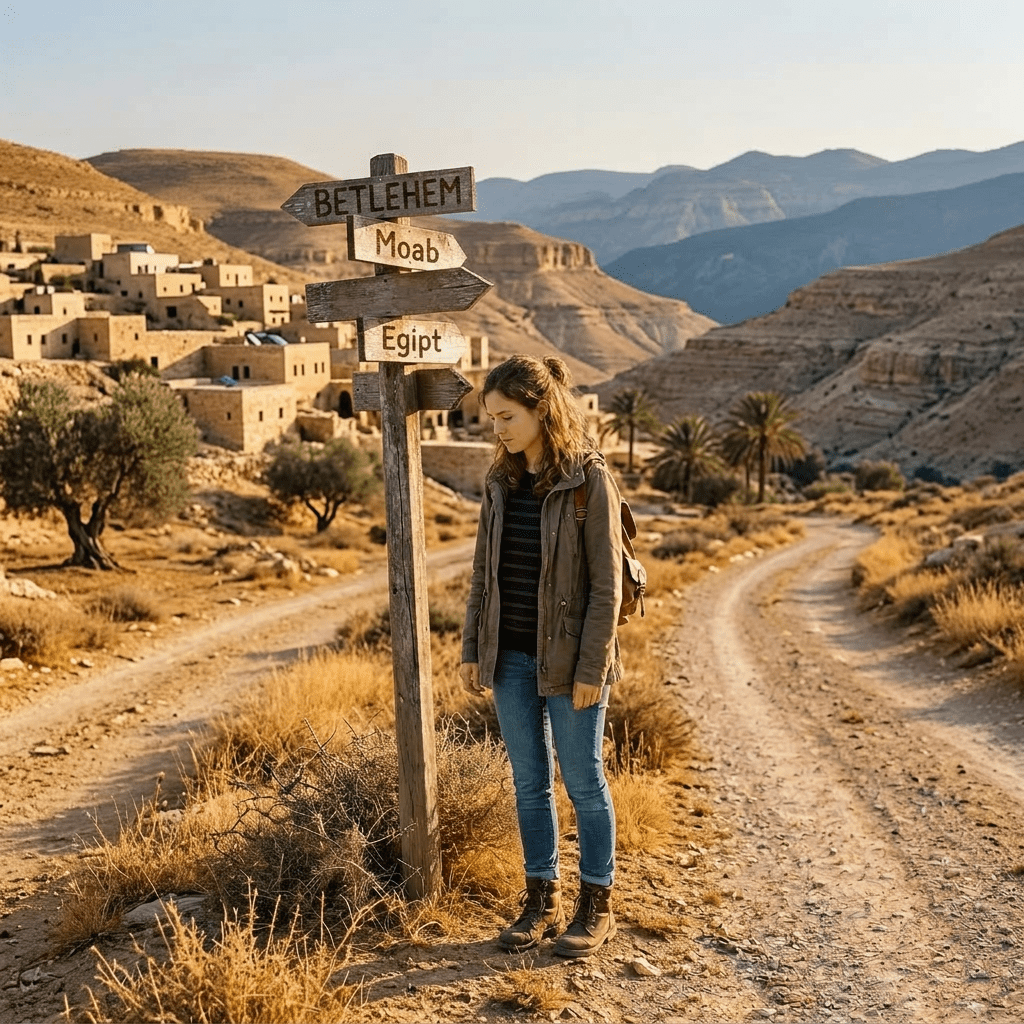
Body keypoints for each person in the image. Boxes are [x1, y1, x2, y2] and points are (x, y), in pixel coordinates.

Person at [460, 354, 623, 958]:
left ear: (540, 409)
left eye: (507, 416)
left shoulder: (588, 478)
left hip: (571, 664)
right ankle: (540, 900)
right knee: (529, 785)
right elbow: (483, 572)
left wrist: (591, 669)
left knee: (583, 782)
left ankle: (596, 904)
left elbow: (607, 587)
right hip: (510, 659)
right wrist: (473, 648)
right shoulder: (499, 482)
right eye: (491, 418)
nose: (498, 429)